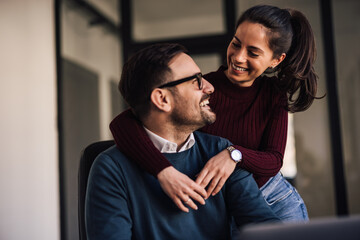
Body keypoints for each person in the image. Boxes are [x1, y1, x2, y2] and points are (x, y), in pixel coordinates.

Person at [110, 5, 319, 221]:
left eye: (253, 52)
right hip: (224, 207)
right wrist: (163, 171)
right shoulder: (204, 88)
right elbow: (121, 124)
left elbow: (274, 160)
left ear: (276, 60)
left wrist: (233, 155)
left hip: (275, 200)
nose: (238, 57)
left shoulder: (273, 95)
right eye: (236, 44)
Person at [85, 43, 280, 240]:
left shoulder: (221, 153)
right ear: (162, 99)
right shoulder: (111, 168)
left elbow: (267, 229)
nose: (210, 87)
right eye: (196, 80)